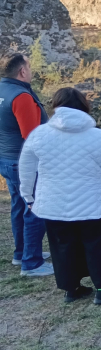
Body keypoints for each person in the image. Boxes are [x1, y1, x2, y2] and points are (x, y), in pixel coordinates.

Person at [19, 88, 101, 303]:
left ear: (55, 106)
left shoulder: (39, 135)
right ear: (84, 105)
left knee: (62, 246)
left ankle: (72, 289)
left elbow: (26, 169)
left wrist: (28, 197)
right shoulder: (99, 136)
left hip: (53, 203)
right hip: (94, 202)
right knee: (98, 246)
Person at [0, 53, 52, 276]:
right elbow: (33, 137)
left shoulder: (2, 91)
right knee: (35, 207)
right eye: (29, 68)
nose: (31, 71)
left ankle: (21, 253)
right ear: (22, 71)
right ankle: (32, 263)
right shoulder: (21, 96)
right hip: (24, 163)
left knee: (19, 206)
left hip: (6, 160)